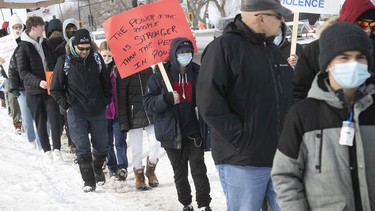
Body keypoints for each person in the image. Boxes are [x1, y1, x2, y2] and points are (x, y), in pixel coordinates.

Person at [196, 0, 294, 210]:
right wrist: (242, 139)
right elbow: (209, 103)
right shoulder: (223, 48)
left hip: (280, 158)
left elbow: (287, 97)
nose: (282, 23)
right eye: (279, 17)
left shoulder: (274, 51)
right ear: (261, 18)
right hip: (243, 160)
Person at [272, 22, 375, 211]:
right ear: (327, 64)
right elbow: (284, 174)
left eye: (360, 57)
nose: (353, 64)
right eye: (343, 57)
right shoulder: (303, 114)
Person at [143, 37, 212, 211]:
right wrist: (165, 99)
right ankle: (186, 203)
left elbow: (211, 93)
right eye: (182, 53)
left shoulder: (198, 72)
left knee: (199, 169)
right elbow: (149, 105)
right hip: (171, 133)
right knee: (180, 172)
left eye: (188, 52)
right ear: (174, 54)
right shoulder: (159, 76)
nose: (185, 55)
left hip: (194, 131)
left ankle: (204, 204)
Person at [50, 29, 112, 192]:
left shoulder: (97, 59)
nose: (84, 52)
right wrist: (67, 106)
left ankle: (97, 168)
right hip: (76, 111)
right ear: (73, 46)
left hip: (97, 110)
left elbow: (106, 83)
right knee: (82, 147)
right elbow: (55, 88)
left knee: (101, 146)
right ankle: (89, 182)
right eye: (81, 49)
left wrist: (105, 100)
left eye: (87, 48)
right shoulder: (64, 61)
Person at [293, 0, 375, 103]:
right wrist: (311, 115)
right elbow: (299, 90)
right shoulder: (315, 49)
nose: (368, 29)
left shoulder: (372, 47)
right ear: (349, 20)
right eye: (362, 23)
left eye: (372, 24)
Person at [17, 16, 61, 159]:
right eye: (41, 26)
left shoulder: (46, 44)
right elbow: (22, 72)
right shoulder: (22, 47)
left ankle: (57, 149)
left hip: (50, 88)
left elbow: (53, 61)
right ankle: (47, 150)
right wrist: (38, 82)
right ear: (33, 28)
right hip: (34, 91)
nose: (44, 29)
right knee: (40, 120)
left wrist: (55, 76)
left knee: (55, 118)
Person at [117, 64, 160, 190]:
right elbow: (122, 99)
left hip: (151, 114)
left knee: (156, 142)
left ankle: (151, 169)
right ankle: (139, 175)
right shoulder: (124, 72)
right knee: (137, 149)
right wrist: (124, 122)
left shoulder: (148, 71)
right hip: (133, 116)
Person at [99, 41, 128, 181]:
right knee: (107, 142)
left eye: (109, 56)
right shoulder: (97, 69)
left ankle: (122, 166)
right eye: (104, 55)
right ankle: (112, 166)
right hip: (103, 112)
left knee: (120, 141)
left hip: (118, 111)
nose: (106, 58)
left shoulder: (118, 69)